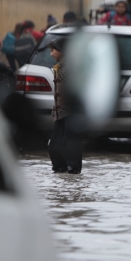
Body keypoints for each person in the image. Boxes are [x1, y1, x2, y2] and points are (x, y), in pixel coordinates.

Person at [47, 38, 82, 174]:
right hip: (61, 113)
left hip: (71, 113)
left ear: (62, 51)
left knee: (70, 144)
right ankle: (60, 170)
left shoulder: (71, 69)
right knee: (55, 146)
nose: (51, 54)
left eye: (53, 50)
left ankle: (73, 171)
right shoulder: (61, 67)